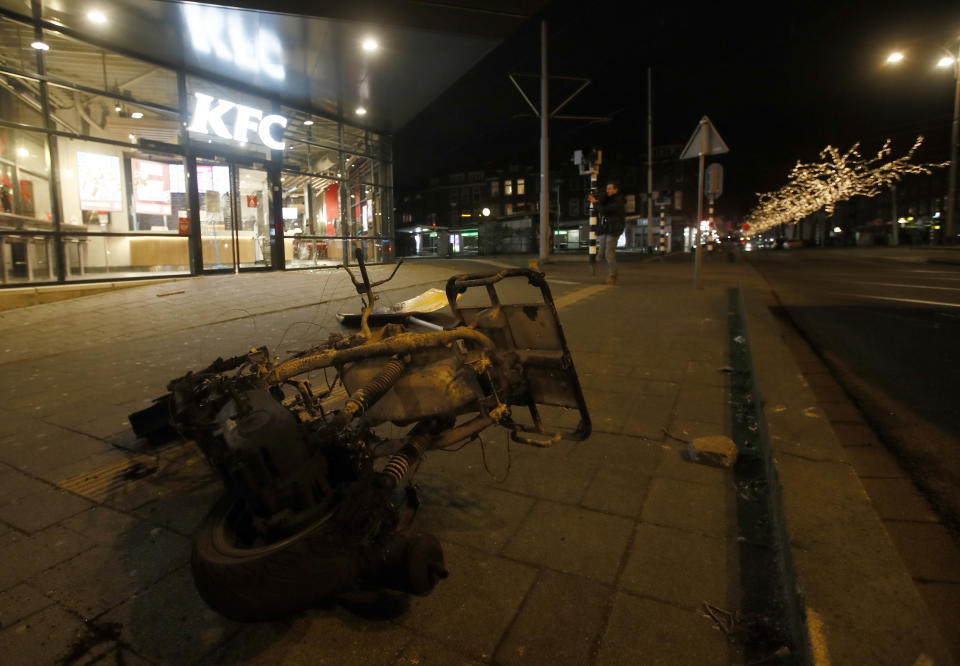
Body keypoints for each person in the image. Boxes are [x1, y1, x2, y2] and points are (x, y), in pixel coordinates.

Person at [589, 180, 625, 284]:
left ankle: (613, 276)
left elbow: (604, 210)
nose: (608, 190)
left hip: (614, 230)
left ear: (615, 190)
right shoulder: (607, 199)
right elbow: (600, 205)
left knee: (609, 253)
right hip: (605, 229)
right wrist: (598, 197)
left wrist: (595, 202)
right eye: (607, 188)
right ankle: (598, 266)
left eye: (610, 188)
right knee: (601, 254)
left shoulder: (618, 201)